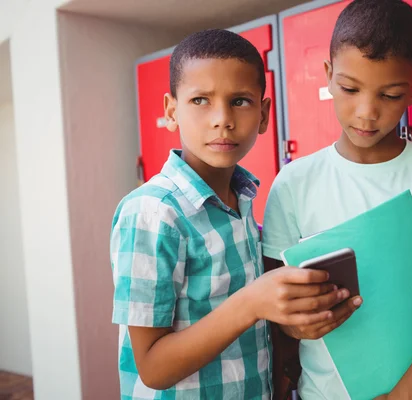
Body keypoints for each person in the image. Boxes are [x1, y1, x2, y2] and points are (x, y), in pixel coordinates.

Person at [262, 1, 412, 399]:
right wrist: (294, 325)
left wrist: (407, 394)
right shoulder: (293, 183)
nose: (367, 113)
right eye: (350, 89)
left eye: (390, 94)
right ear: (329, 76)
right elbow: (277, 307)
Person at [110, 29, 348, 399]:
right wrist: (252, 302)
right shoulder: (153, 213)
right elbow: (153, 368)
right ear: (171, 111)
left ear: (264, 114)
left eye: (239, 101)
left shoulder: (244, 202)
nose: (222, 119)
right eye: (201, 100)